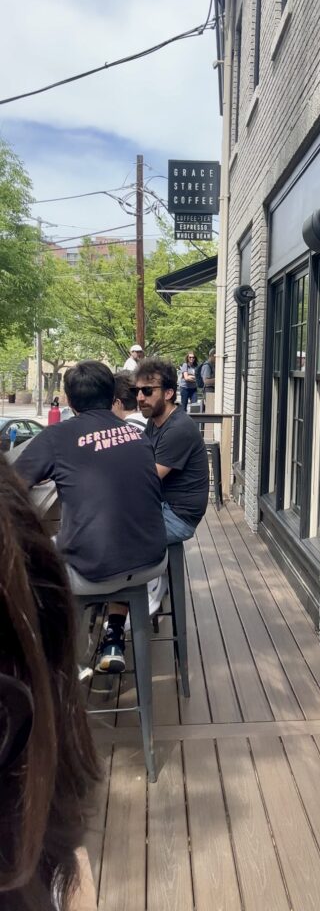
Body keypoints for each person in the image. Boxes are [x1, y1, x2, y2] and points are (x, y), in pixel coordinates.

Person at [15, 360, 167, 674]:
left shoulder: (58, 436)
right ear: (112, 394)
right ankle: (112, 635)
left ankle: (53, 661)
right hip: (152, 559)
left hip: (96, 570)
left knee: (38, 559)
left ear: (69, 400)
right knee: (112, 535)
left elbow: (12, 484)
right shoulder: (137, 436)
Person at [0, 454, 99, 911]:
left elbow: (29, 474)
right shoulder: (148, 439)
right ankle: (113, 631)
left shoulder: (62, 437)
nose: (142, 397)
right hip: (154, 550)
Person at [135, 357, 209, 544]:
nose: (140, 397)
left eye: (147, 390)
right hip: (161, 505)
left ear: (168, 393)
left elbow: (146, 478)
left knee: (110, 534)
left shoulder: (178, 428)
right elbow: (140, 456)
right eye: (137, 391)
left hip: (177, 517)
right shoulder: (155, 420)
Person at [200, 347, 216, 413]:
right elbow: (206, 381)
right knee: (210, 410)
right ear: (212, 356)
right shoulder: (207, 366)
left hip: (211, 390)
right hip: (208, 390)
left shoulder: (212, 365)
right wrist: (218, 379)